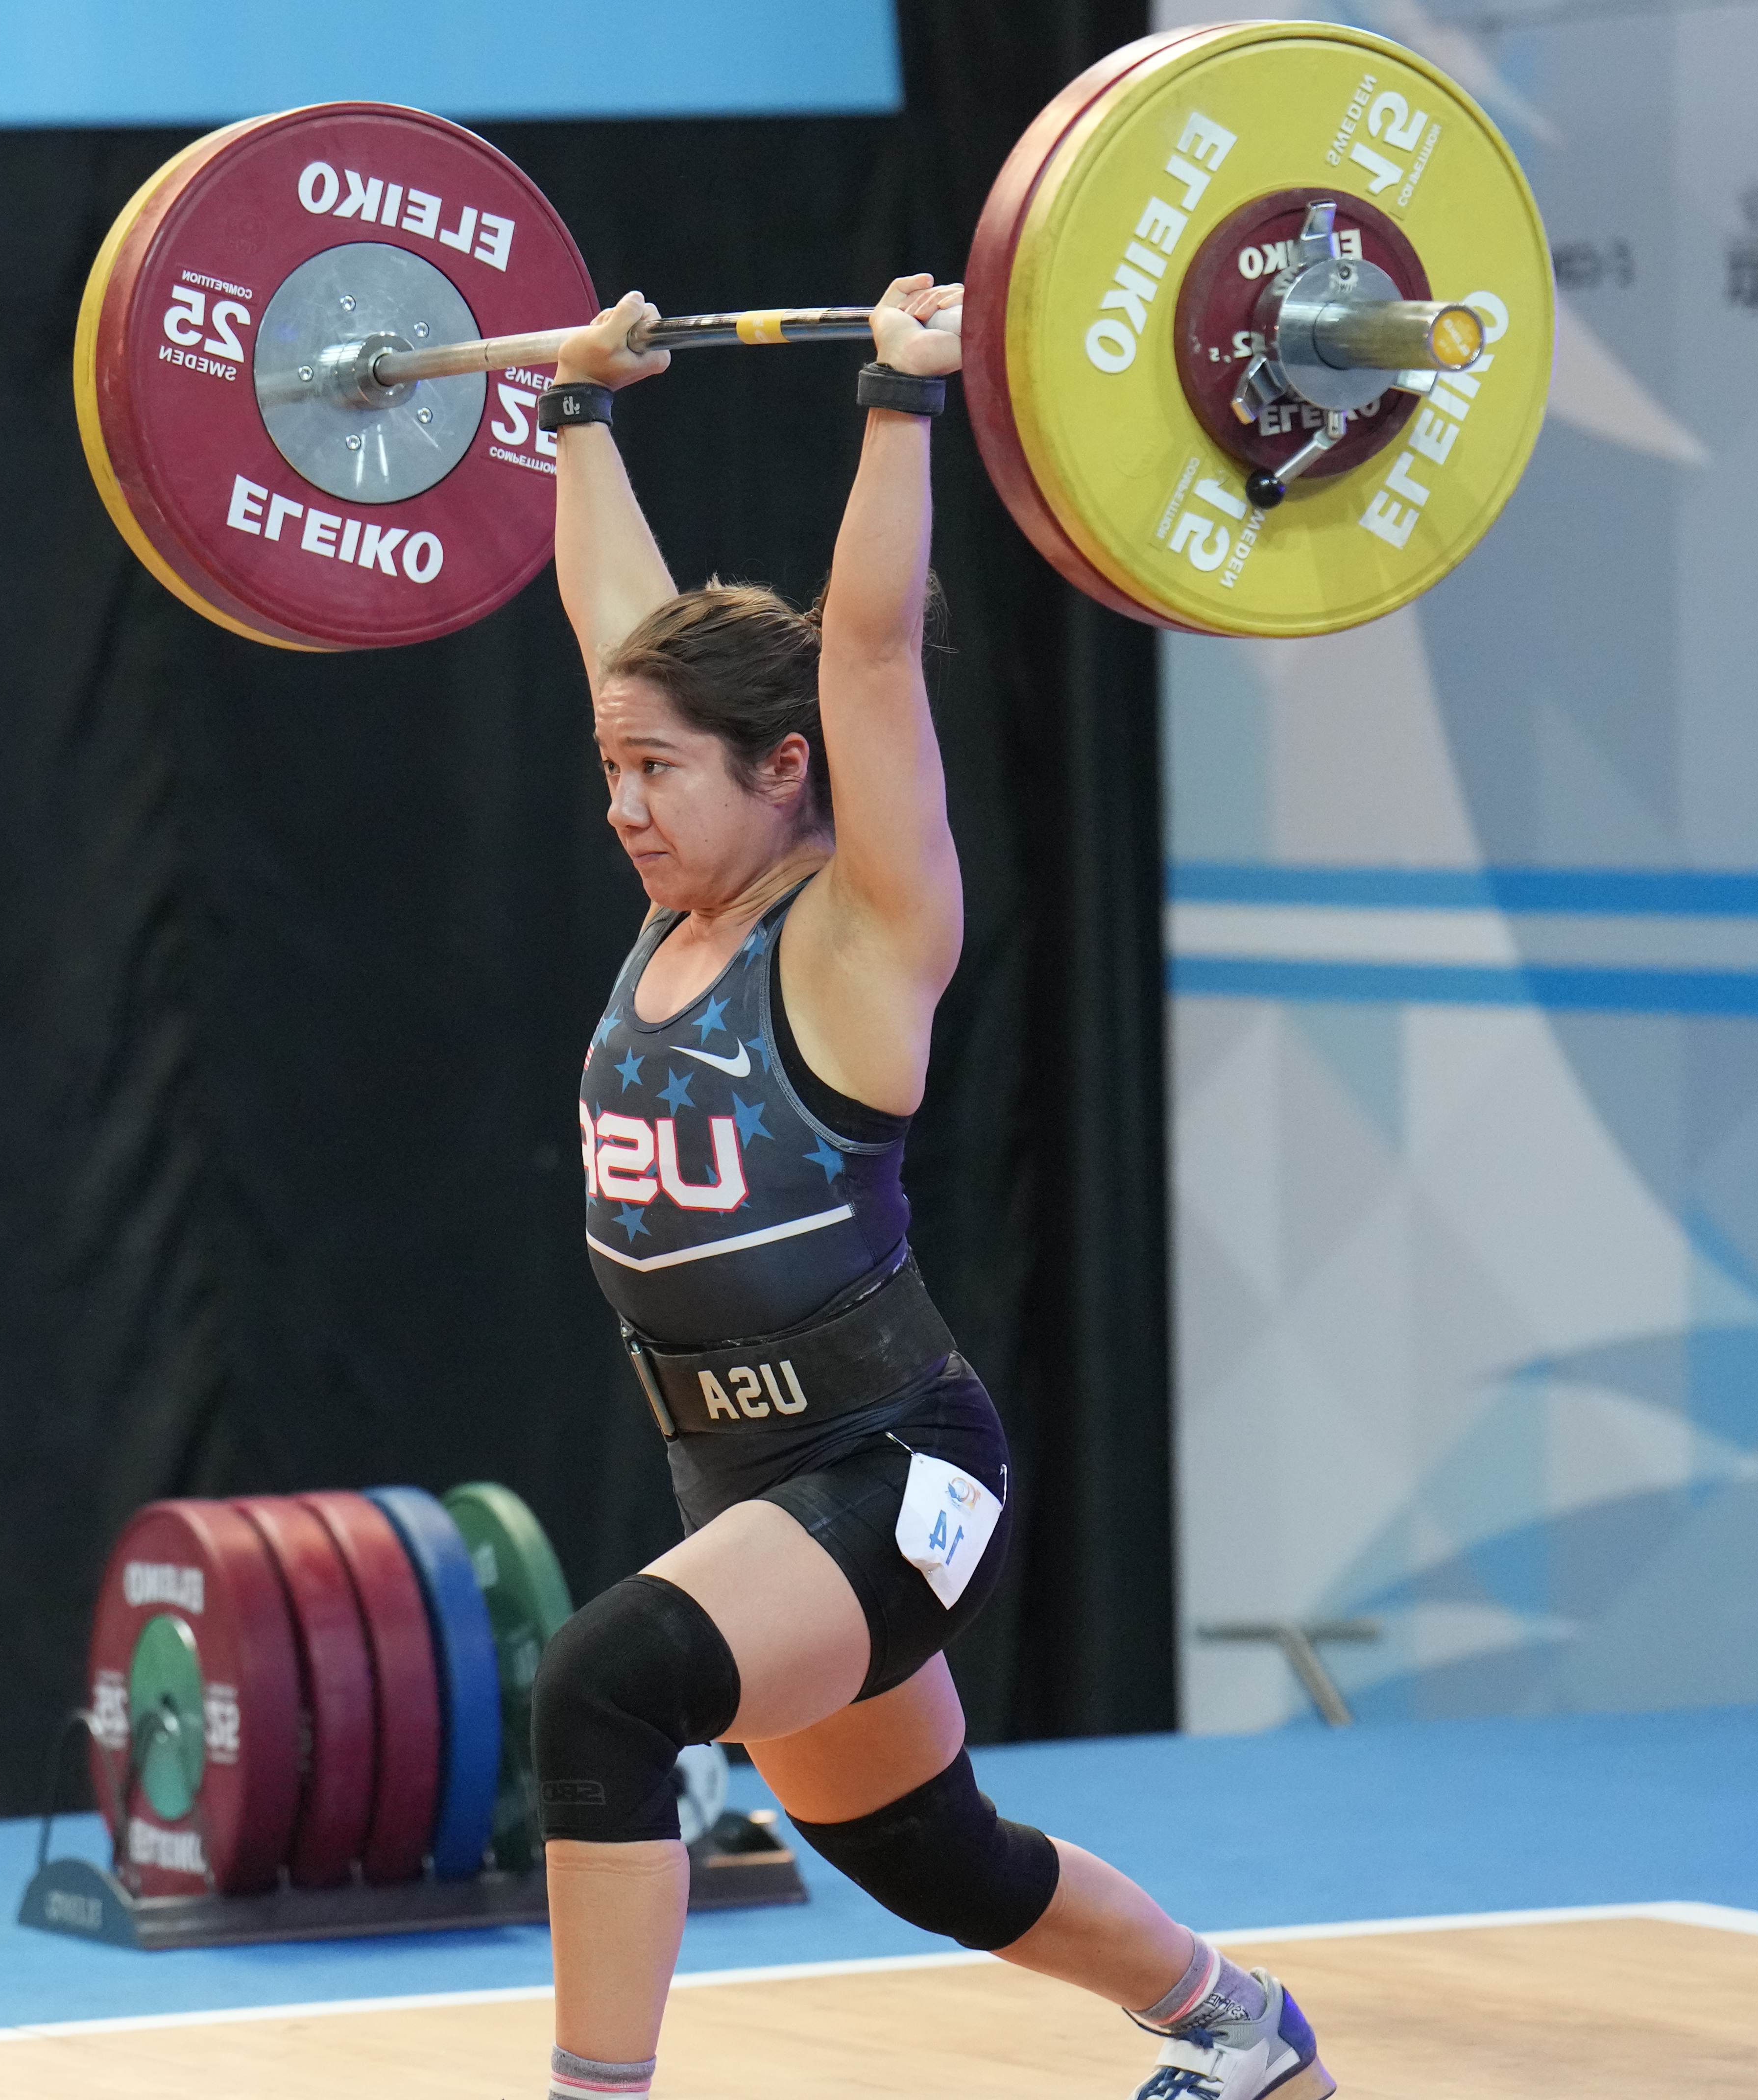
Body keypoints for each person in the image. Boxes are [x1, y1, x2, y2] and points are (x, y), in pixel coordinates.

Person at [523, 281, 1332, 2100]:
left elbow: (869, 655)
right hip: (739, 1469)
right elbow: (614, 629)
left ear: (782, 767)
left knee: (603, 1684)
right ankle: (1237, 2024)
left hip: (887, 1469)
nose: (622, 802)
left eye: (654, 768)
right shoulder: (680, 904)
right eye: (610, 767)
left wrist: (900, 399)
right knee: (925, 1848)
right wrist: (576, 417)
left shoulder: (865, 932)